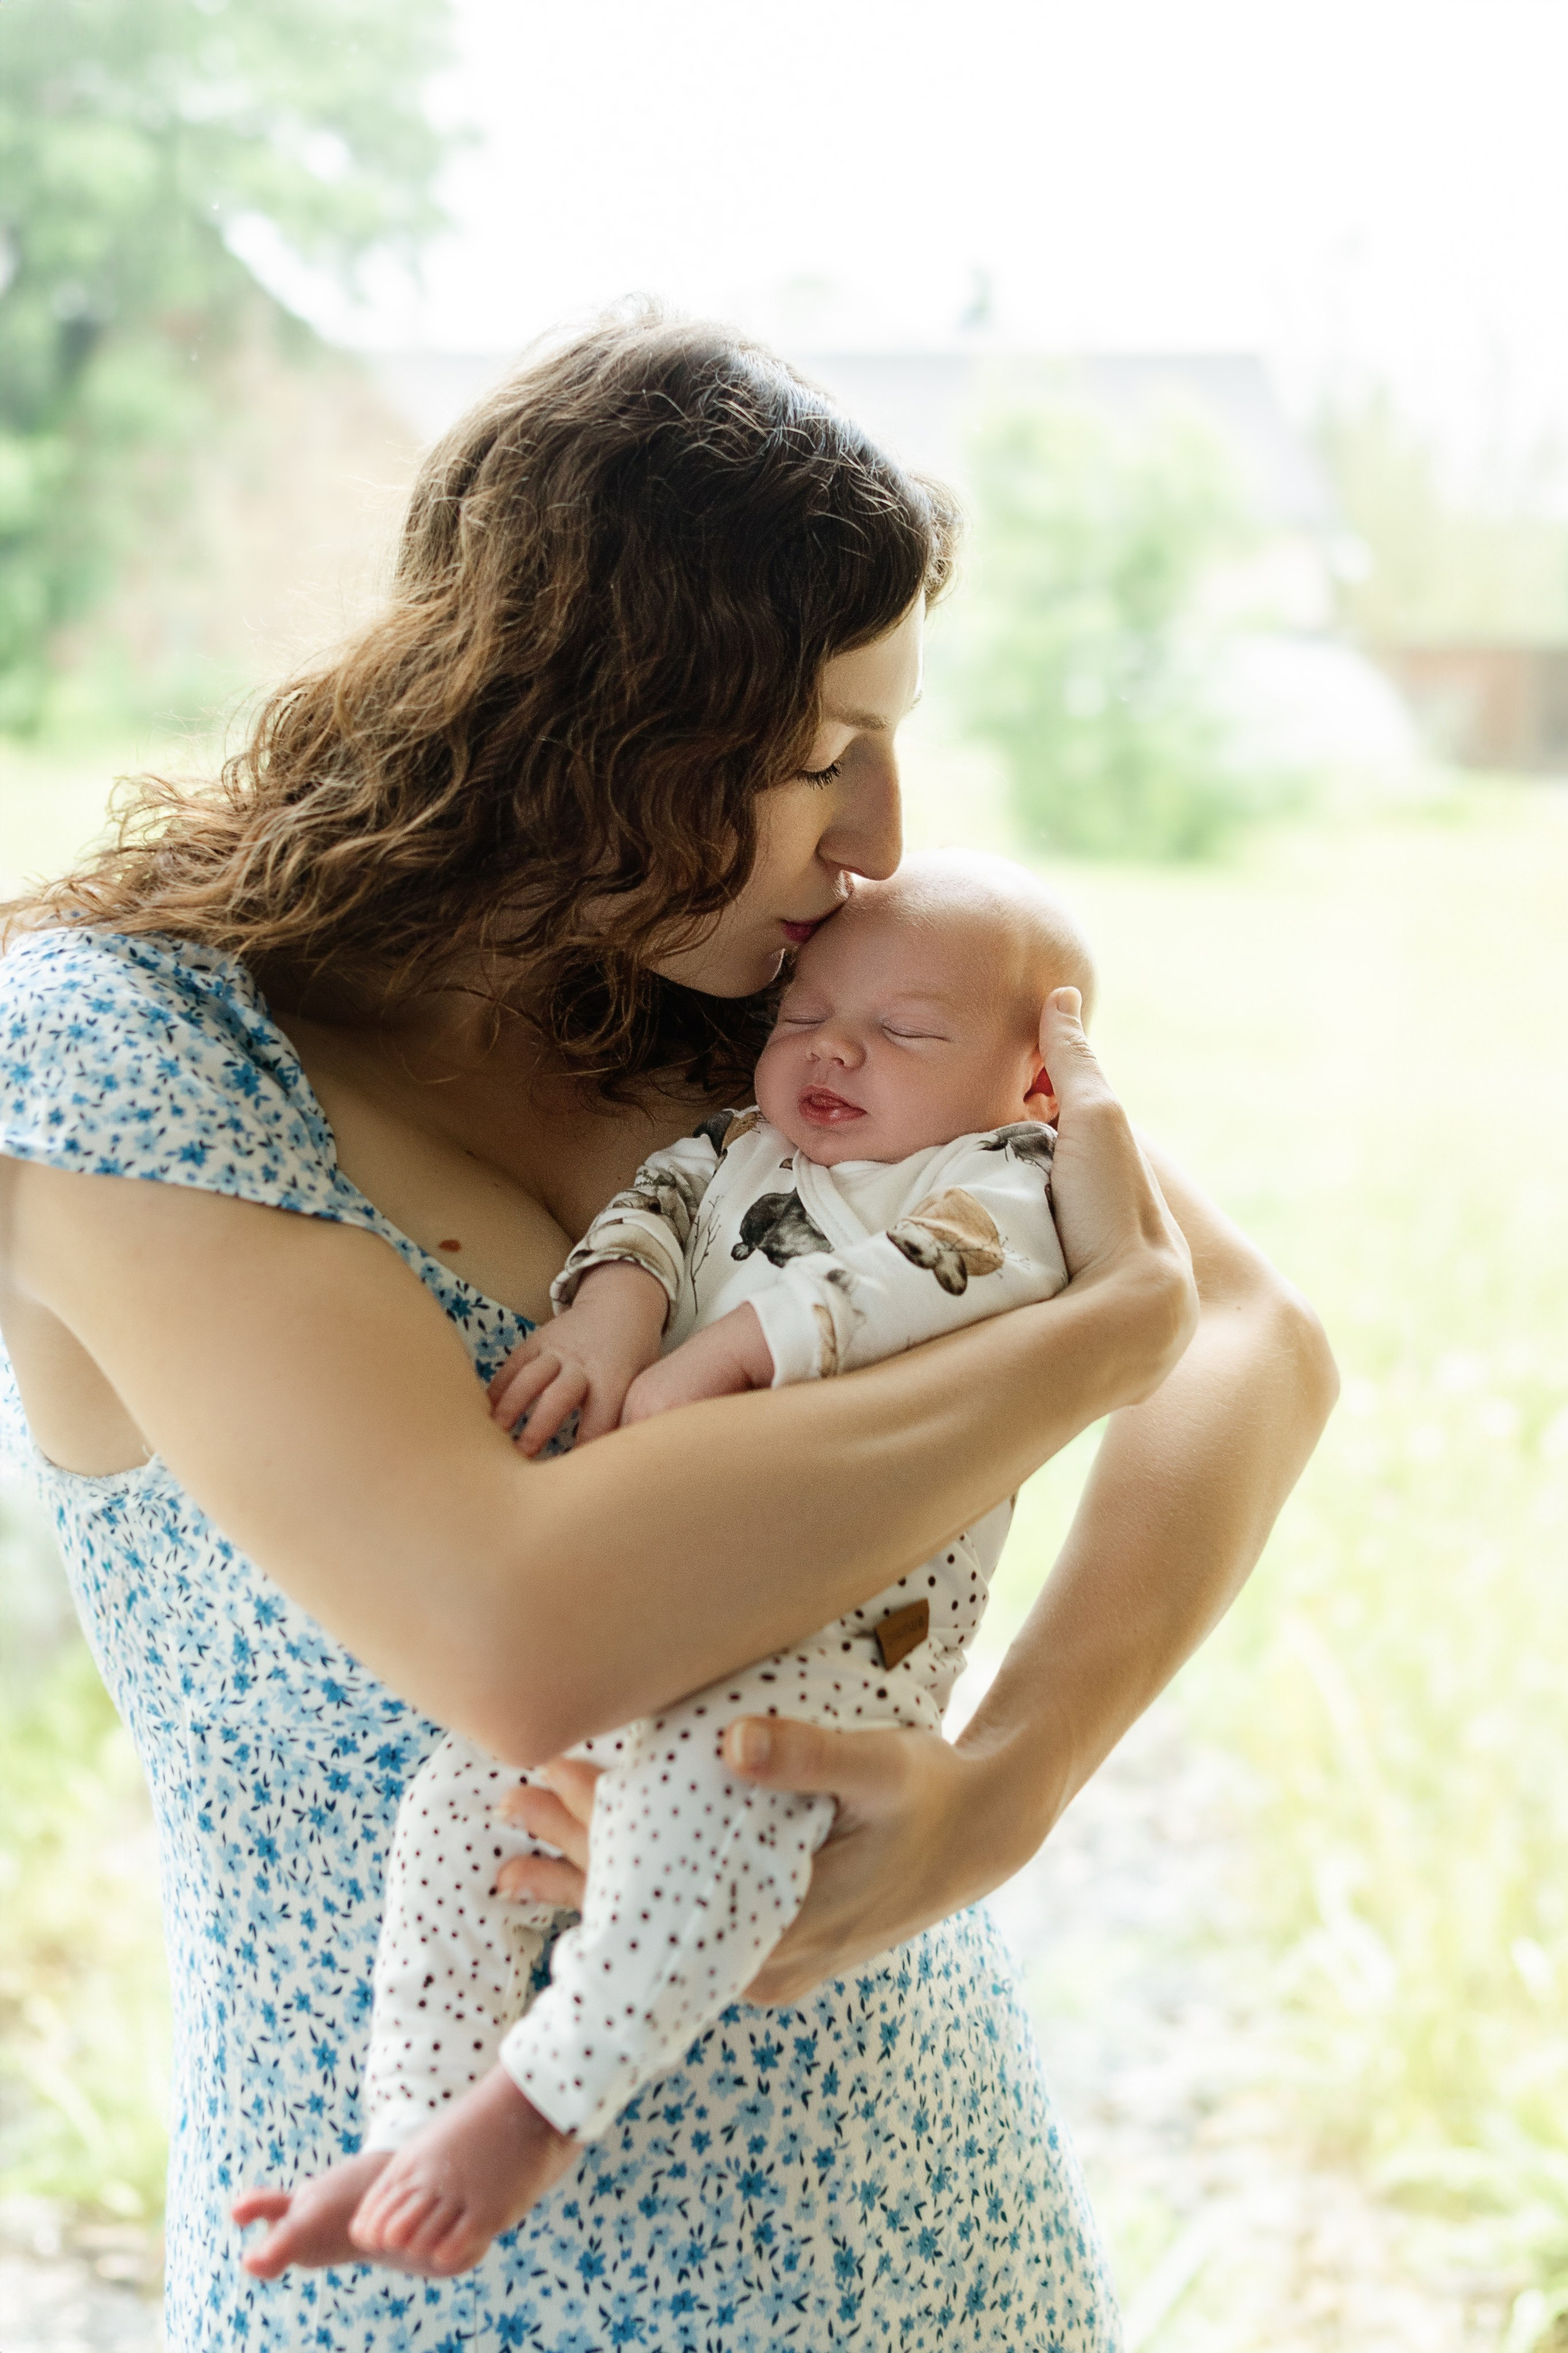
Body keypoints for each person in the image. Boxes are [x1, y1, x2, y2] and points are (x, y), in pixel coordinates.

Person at [0, 312, 1336, 2353]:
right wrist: (1092, 1339)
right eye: (819, 755)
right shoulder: (123, 1058)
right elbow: (521, 1632)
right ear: (584, 718)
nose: (879, 835)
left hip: (934, 2227)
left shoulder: (757, 1011)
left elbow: (1252, 1341)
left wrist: (1002, 1791)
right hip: (432, 2284)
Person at [251, 852, 1093, 2280]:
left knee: (716, 1802)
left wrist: (734, 1352)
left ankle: (536, 2109)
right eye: (805, 1013)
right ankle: (413, 2116)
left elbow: (937, 1274)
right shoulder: (738, 1148)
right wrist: (612, 1316)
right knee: (463, 1802)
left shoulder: (1003, 1180)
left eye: (901, 1032)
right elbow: (653, 1207)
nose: (833, 1049)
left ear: (1034, 1086)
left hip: (832, 1648)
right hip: (651, 1616)